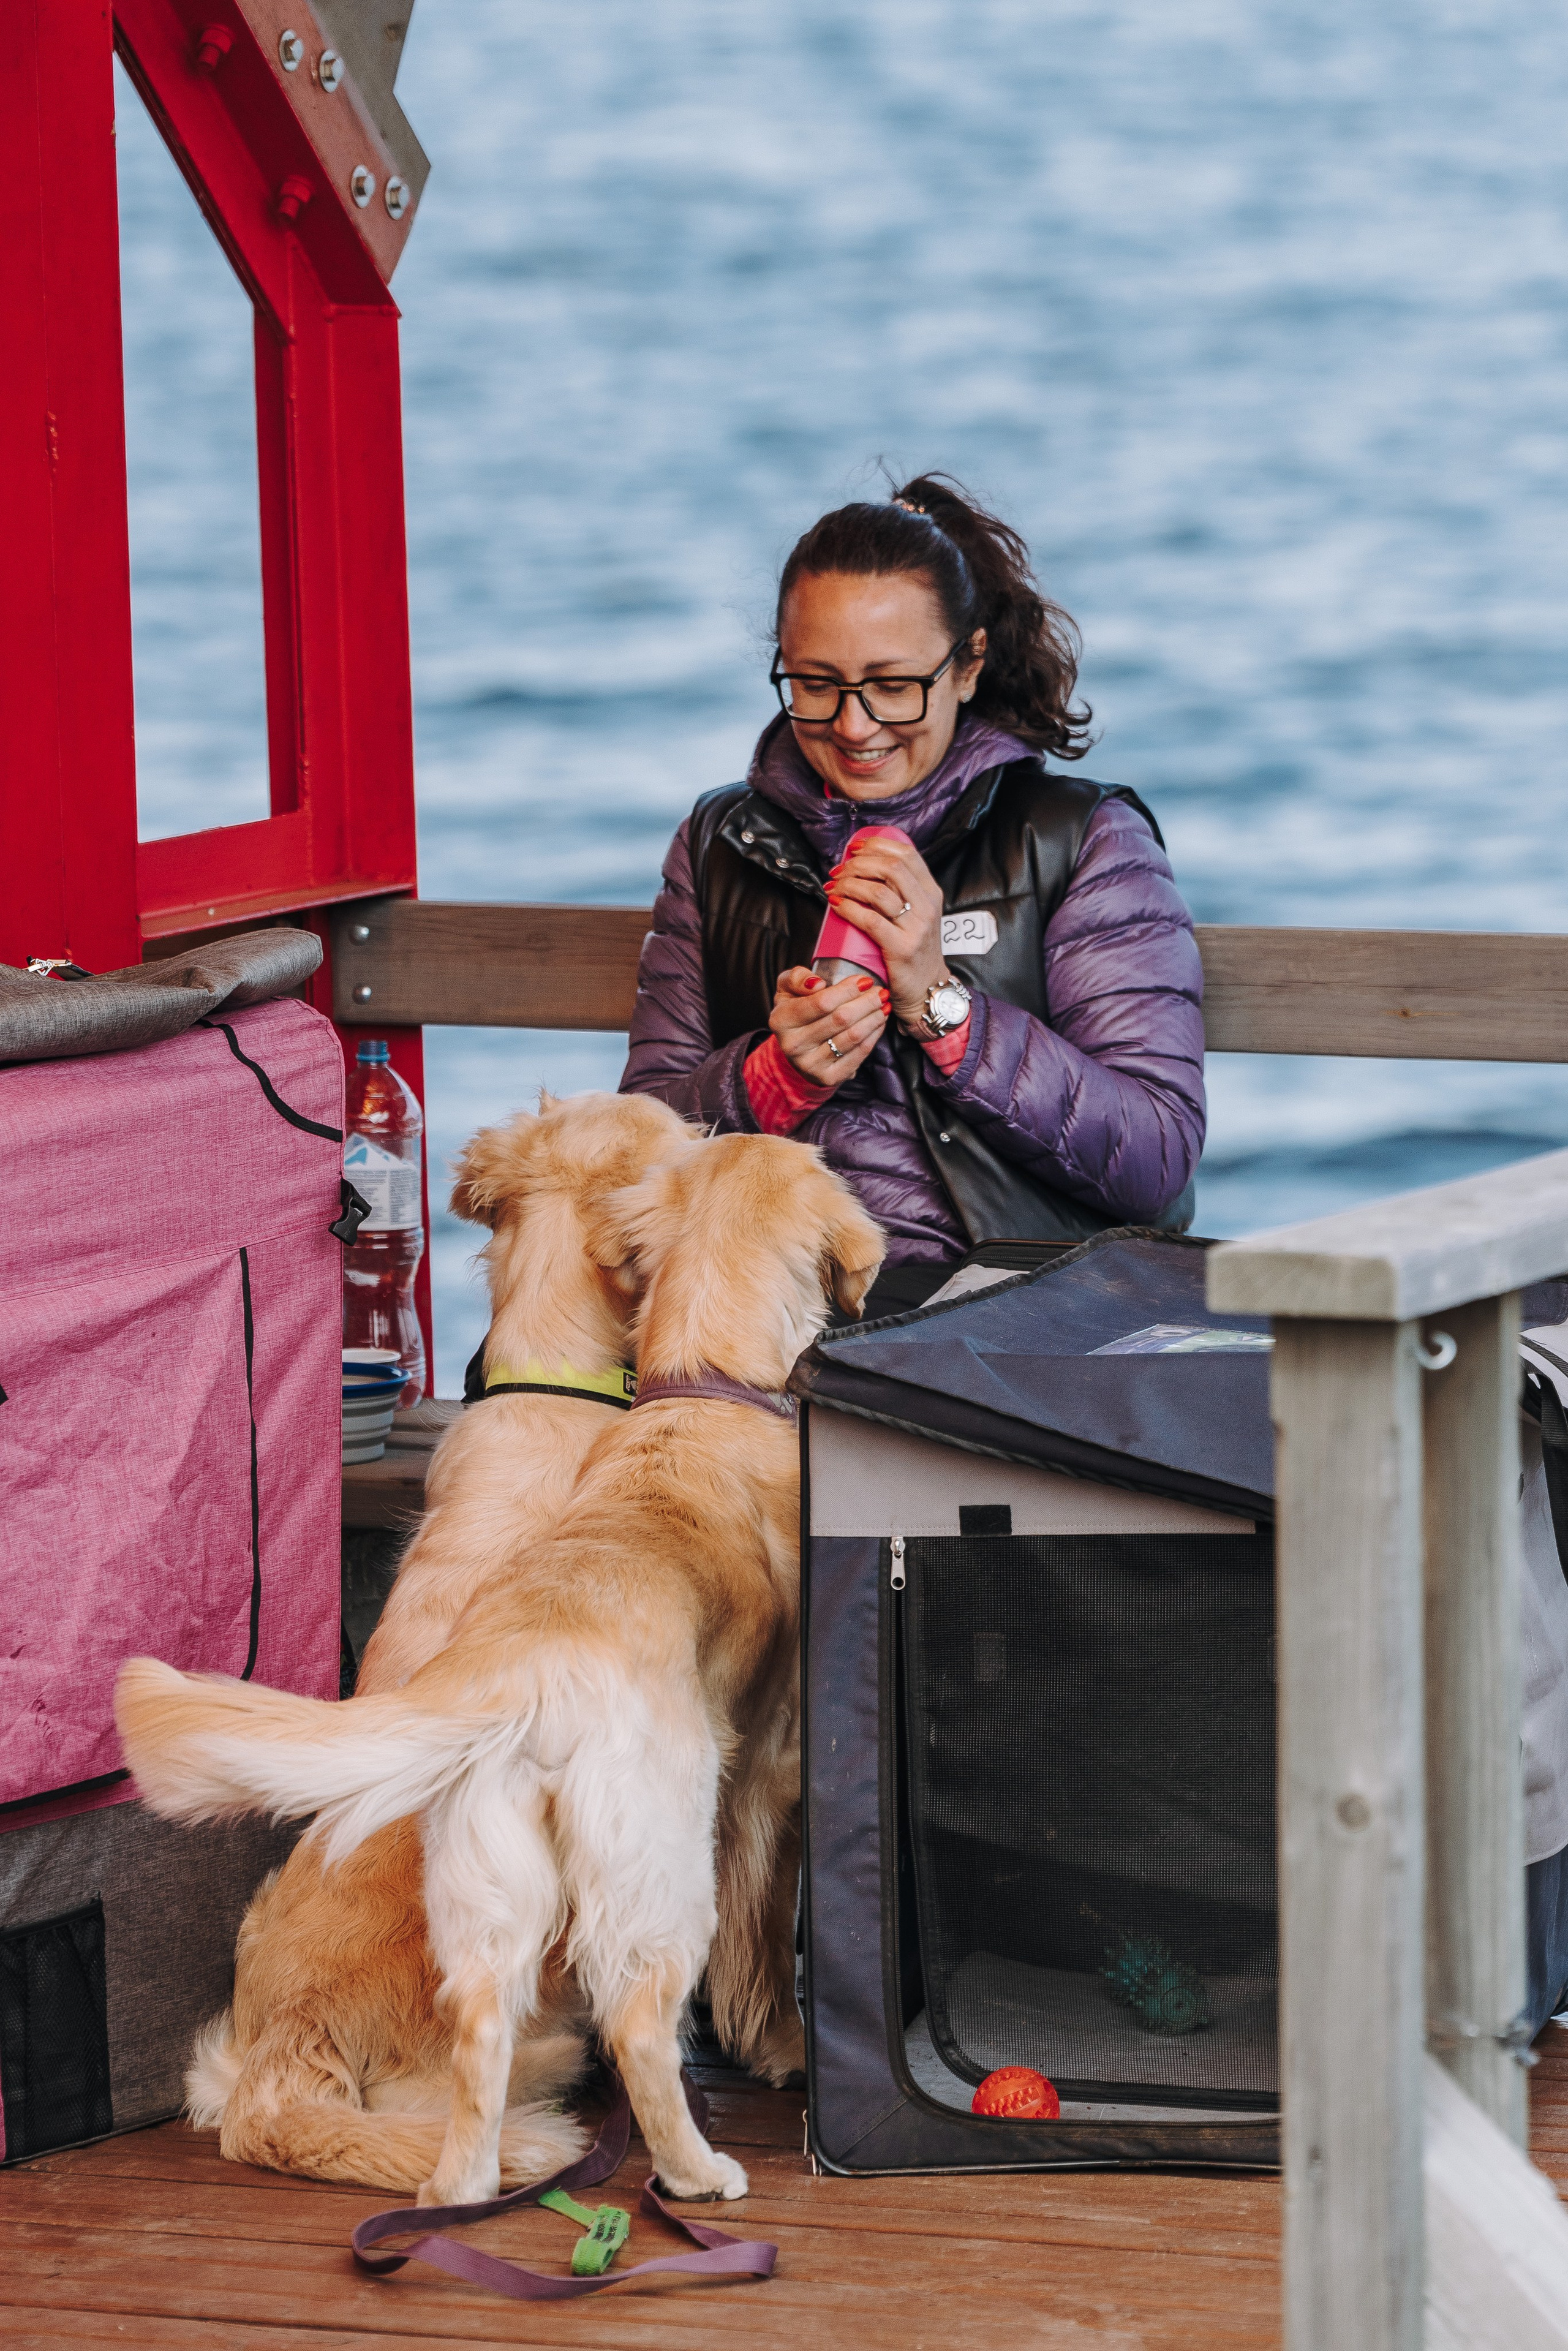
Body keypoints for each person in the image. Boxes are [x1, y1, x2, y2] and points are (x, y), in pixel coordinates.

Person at [621, 473, 1205, 1310]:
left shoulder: (1079, 839)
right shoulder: (721, 844)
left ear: (968, 665)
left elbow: (1155, 1158)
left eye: (893, 685)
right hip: (758, 1291)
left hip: (1003, 1298)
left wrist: (943, 1008)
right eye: (817, 684)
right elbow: (641, 1145)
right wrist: (770, 1077)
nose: (855, 726)